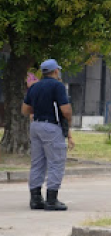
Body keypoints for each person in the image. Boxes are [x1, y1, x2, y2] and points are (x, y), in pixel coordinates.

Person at [22, 59, 74, 211]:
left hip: (36, 125)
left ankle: (36, 199)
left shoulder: (34, 87)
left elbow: (25, 110)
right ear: (56, 71)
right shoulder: (57, 86)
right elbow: (65, 110)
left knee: (37, 162)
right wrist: (69, 120)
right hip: (52, 126)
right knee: (56, 162)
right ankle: (52, 199)